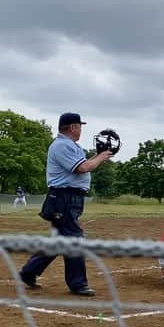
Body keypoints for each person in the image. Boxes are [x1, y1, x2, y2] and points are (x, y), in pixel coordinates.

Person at [18, 112, 113, 296]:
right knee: (74, 238)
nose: (80, 130)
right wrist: (100, 158)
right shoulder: (62, 145)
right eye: (79, 126)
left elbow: (84, 164)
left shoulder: (69, 146)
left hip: (68, 198)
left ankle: (28, 272)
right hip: (64, 198)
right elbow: (82, 168)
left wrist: (99, 156)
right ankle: (78, 284)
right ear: (72, 127)